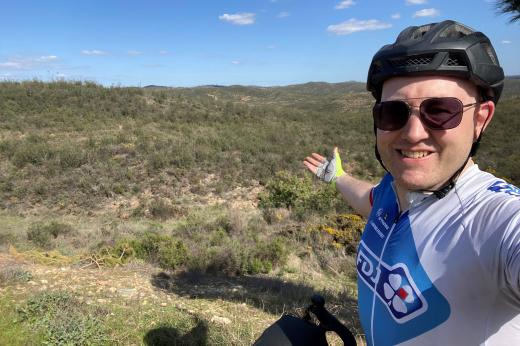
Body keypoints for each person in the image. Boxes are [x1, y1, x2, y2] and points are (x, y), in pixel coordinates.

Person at [304, 20, 520, 345]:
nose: (414, 133)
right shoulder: (394, 192)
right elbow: (369, 201)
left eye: (441, 111)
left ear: (481, 119)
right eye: (394, 113)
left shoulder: (494, 218)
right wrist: (338, 177)